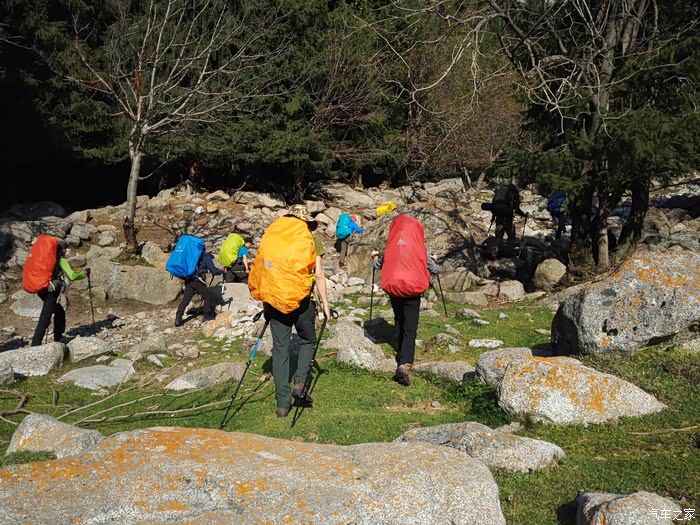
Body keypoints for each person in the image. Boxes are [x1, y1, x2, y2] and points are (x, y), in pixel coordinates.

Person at [252, 204, 331, 418]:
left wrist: (266, 302)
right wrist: (325, 303)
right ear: (305, 222)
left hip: (275, 301)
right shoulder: (311, 239)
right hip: (302, 301)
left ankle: (282, 406)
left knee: (280, 350)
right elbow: (319, 274)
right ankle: (300, 383)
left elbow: (265, 269)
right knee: (308, 341)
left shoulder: (274, 237)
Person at [371, 214, 438, 387]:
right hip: (413, 291)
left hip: (395, 289)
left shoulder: (391, 248)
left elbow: (376, 266)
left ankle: (400, 352)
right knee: (410, 327)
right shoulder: (419, 248)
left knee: (399, 320)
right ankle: (405, 363)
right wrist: (433, 260)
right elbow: (434, 269)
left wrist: (375, 257)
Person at [31, 239, 89, 346]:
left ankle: (58, 337)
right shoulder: (61, 260)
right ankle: (36, 343)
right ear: (60, 249)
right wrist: (84, 273)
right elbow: (72, 276)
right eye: (64, 248)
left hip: (40, 288)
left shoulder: (45, 258)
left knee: (59, 311)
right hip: (51, 290)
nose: (66, 251)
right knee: (46, 316)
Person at [175, 249, 224, 326]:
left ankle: (178, 318)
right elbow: (214, 271)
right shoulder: (206, 257)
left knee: (186, 299)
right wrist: (222, 271)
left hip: (189, 279)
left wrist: (205, 270)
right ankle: (207, 316)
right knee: (208, 296)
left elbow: (198, 268)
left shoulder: (192, 255)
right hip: (197, 281)